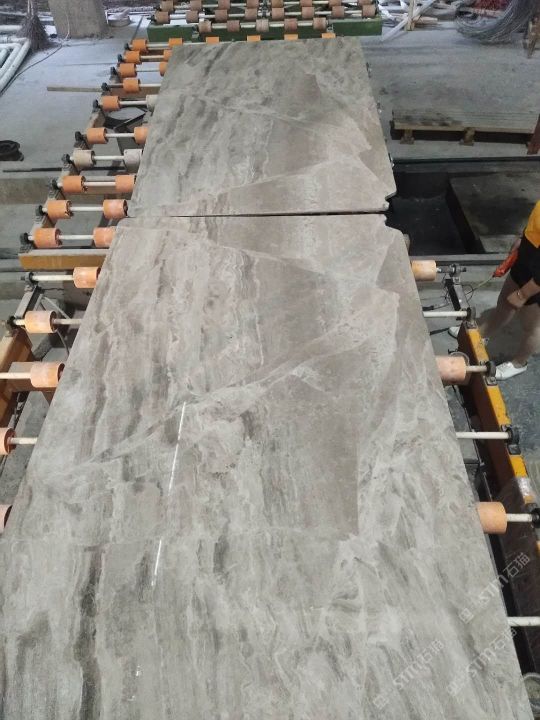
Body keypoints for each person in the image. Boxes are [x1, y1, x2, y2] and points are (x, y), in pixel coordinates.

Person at [449, 201, 540, 381]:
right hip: (529, 253)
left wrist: (523, 294)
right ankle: (482, 334)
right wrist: (522, 238)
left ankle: (519, 363)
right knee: (504, 302)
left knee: (533, 325)